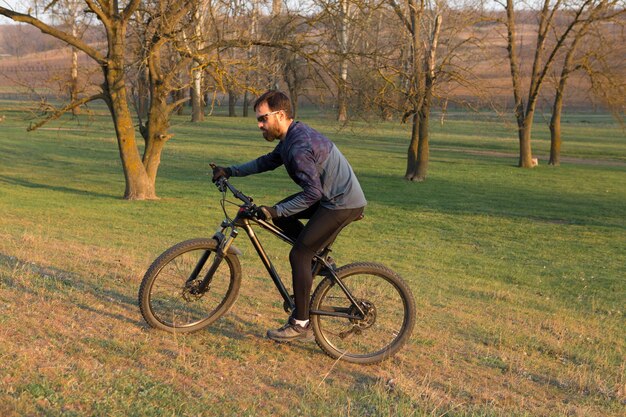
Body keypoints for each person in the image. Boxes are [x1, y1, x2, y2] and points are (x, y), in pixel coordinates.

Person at [212, 91, 366, 342]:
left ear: (280, 115)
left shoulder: (298, 146)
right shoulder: (290, 137)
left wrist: (275, 210)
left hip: (341, 203)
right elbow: (267, 162)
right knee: (281, 217)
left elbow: (313, 193)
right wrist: (230, 171)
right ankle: (316, 259)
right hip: (330, 197)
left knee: (299, 253)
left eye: (263, 119)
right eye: (258, 120)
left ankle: (301, 324)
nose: (260, 125)